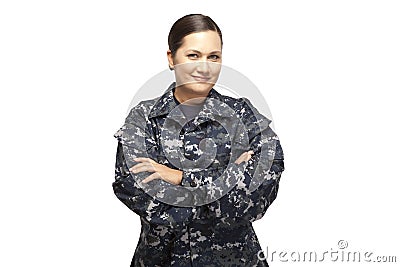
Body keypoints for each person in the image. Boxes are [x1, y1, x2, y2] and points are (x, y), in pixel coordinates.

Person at [112, 14, 285, 267]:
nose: (204, 68)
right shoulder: (143, 119)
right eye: (193, 55)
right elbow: (140, 196)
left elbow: (255, 199)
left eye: (213, 57)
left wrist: (180, 178)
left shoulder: (244, 116)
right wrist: (229, 177)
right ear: (172, 58)